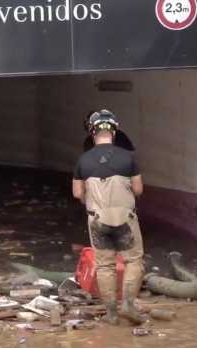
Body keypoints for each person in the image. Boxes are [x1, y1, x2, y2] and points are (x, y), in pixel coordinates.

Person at [72, 110, 145, 325]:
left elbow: (77, 193)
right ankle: (128, 305)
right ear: (114, 131)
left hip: (98, 220)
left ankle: (112, 314)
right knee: (133, 261)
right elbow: (138, 189)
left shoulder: (83, 160)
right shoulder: (127, 157)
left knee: (105, 266)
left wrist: (91, 199)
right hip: (125, 219)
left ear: (92, 132)